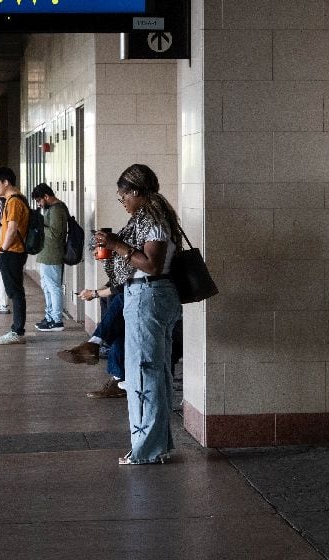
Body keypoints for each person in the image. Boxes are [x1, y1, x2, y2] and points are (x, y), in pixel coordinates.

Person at [92, 164, 183, 465]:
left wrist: (118, 246)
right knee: (154, 372)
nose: (123, 203)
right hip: (149, 296)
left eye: (123, 197)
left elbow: (152, 265)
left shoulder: (154, 220)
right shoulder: (150, 218)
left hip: (149, 295)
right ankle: (155, 444)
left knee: (144, 373)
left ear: (136, 191)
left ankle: (145, 448)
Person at [0, 167, 30, 345]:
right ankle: (17, 329)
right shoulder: (17, 199)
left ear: (6, 182)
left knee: (15, 293)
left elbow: (12, 228)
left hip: (12, 252)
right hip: (14, 252)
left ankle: (17, 331)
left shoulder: (13, 202)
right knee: (16, 292)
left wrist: (3, 250)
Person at [31, 183, 69, 332]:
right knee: (47, 287)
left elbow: (55, 233)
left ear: (46, 196)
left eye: (40, 201)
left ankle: (57, 320)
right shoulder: (51, 209)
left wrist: (39, 224)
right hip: (46, 253)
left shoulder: (57, 209)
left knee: (53, 287)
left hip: (52, 254)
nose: (39, 204)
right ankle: (50, 317)